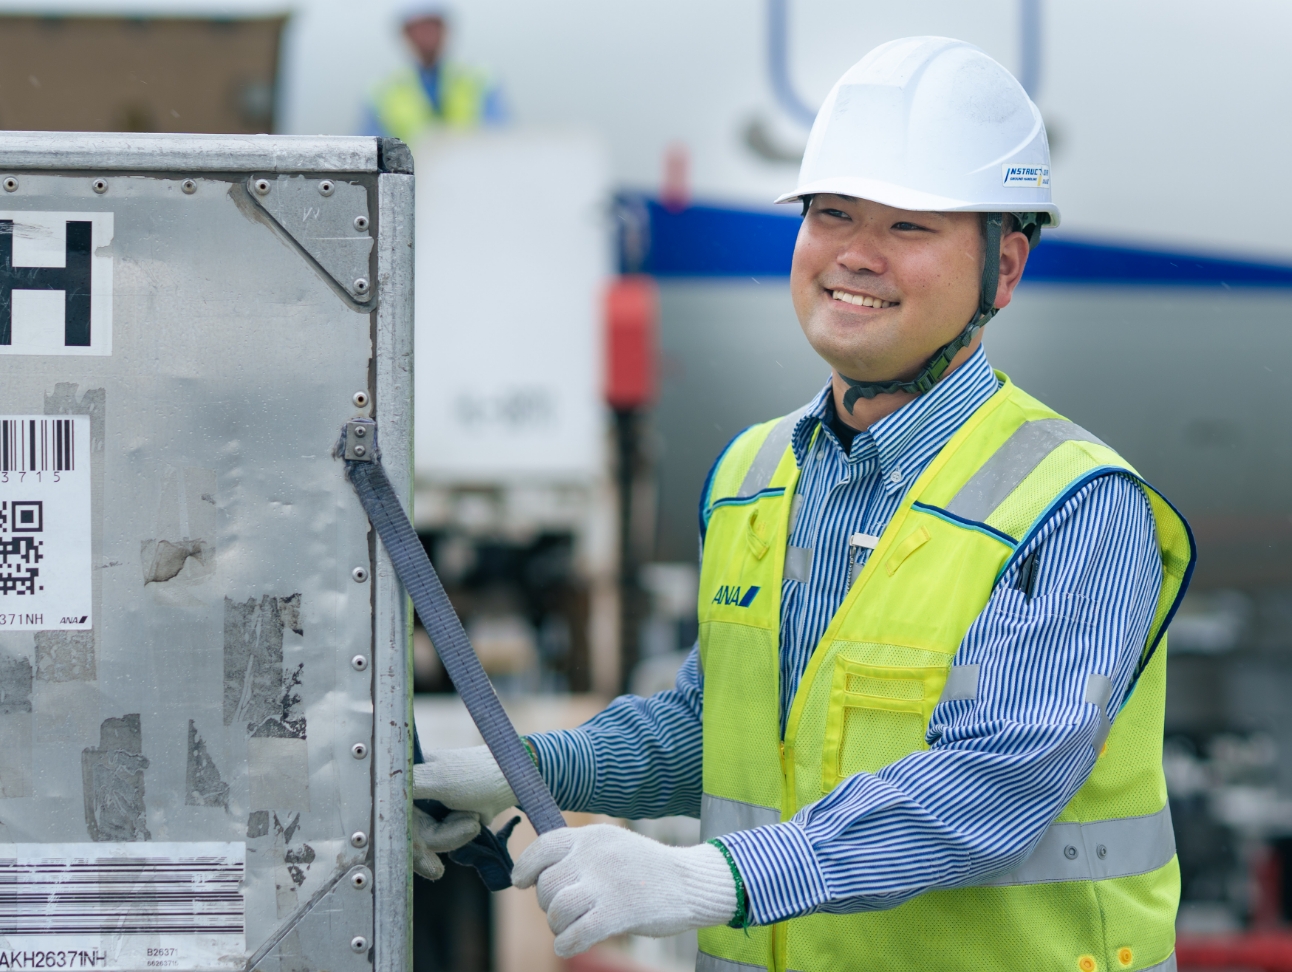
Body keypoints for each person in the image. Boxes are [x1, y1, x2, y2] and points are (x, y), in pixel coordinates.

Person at [411, 37, 1194, 972]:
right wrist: (518, 767)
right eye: (832, 215)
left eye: (910, 228)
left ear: (1005, 269)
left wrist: (713, 881)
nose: (856, 256)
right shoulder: (756, 471)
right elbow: (718, 733)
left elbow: (991, 783)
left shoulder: (1073, 503)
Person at [365, 3, 505, 144]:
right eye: (420, 28)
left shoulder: (480, 80)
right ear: (406, 34)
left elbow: (501, 139)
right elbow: (368, 153)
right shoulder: (382, 92)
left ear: (446, 31)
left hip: (472, 165)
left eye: (433, 26)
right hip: (410, 166)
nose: (428, 34)